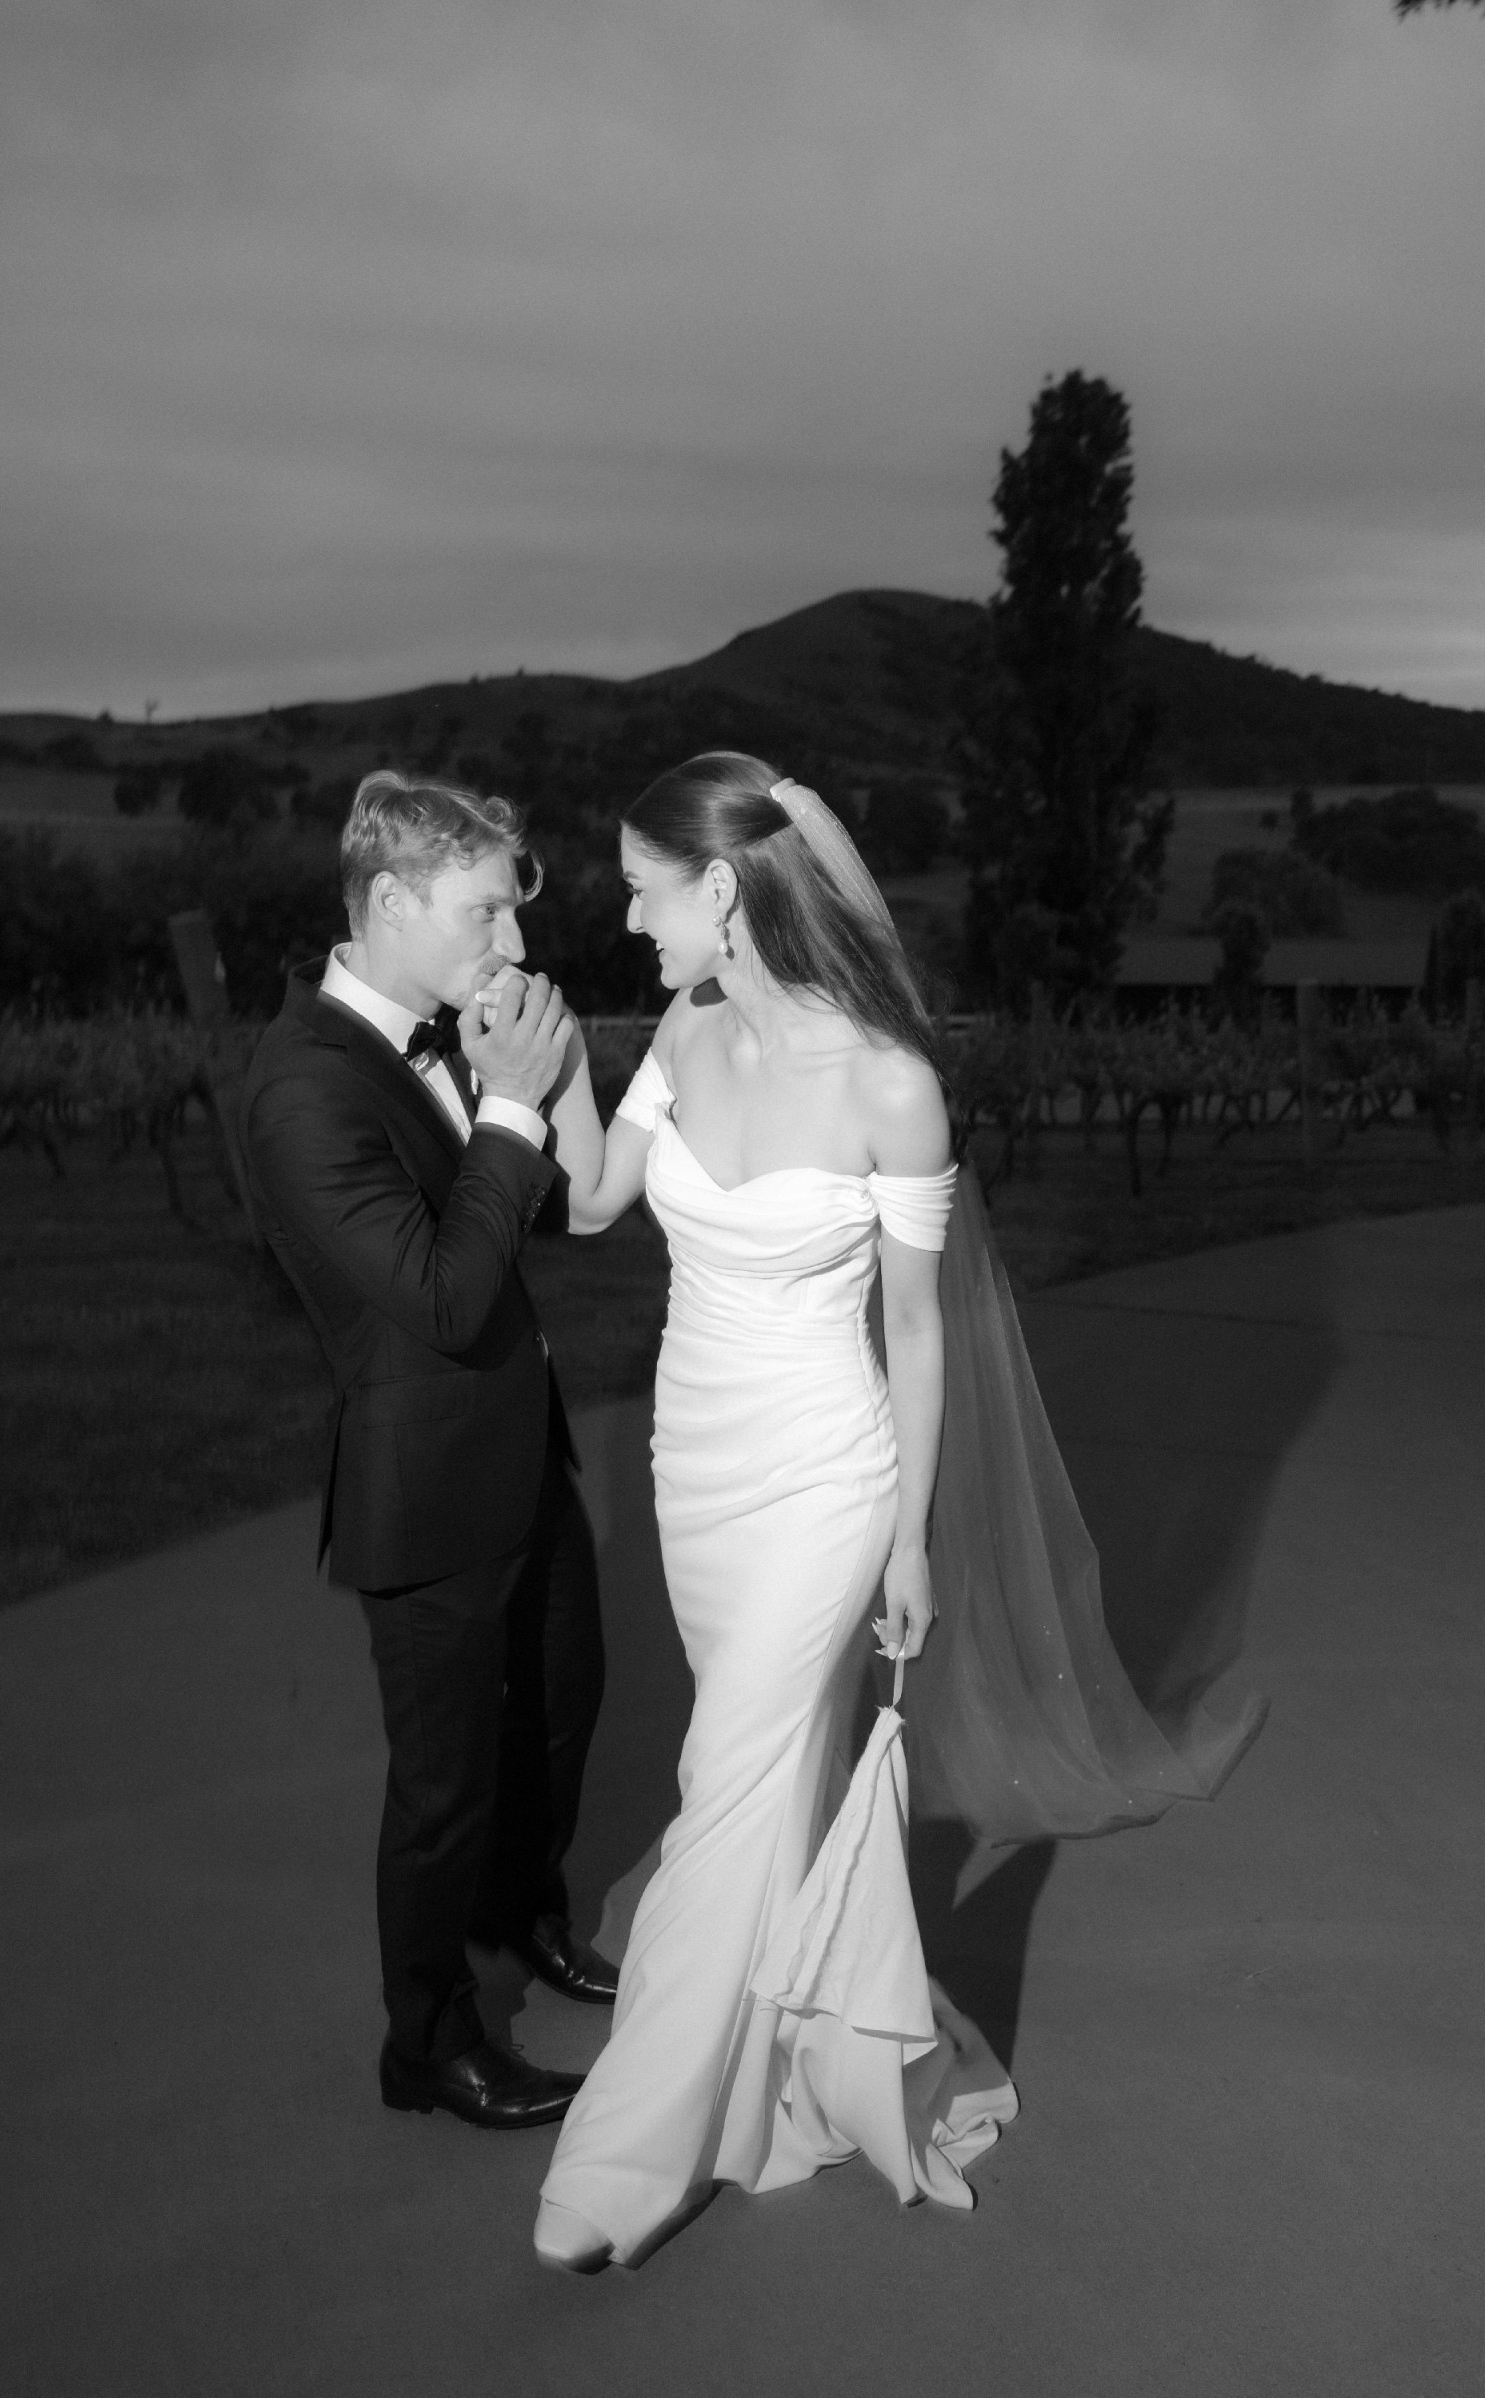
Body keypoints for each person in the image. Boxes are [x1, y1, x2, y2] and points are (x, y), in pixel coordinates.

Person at [529, 751, 1262, 2270]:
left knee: (722, 1778)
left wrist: (911, 1538)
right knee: (767, 1775)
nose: (626, 919)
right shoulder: (682, 1027)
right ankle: (789, 2033)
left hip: (826, 1477)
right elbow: (594, 1201)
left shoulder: (889, 1083)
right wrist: (532, 1082)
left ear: (722, 888)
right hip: (693, 1464)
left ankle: (632, 2149)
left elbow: (919, 1329)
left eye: (644, 890)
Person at [240, 771, 616, 2134]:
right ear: (391, 902)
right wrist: (511, 1103)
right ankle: (431, 2043)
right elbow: (448, 1299)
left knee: (564, 1700)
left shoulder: (456, 1033)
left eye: (514, 913)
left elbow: (550, 1211)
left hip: (527, 1450)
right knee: (443, 1787)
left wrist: (540, 1083)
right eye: (483, 913)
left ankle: (525, 1913)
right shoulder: (301, 1088)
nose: (510, 943)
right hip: (427, 1485)